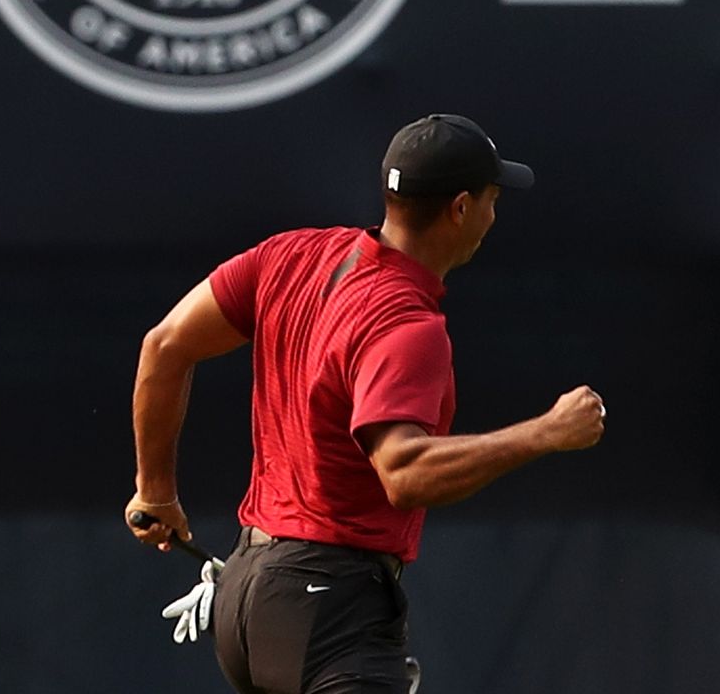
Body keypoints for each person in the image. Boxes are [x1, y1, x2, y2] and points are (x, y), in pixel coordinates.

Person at [126, 113, 606, 694]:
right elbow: (404, 473)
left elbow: (165, 345)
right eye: (491, 198)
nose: (492, 215)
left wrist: (155, 491)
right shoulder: (408, 323)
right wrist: (545, 433)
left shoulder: (292, 256)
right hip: (325, 605)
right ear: (460, 208)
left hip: (249, 597)